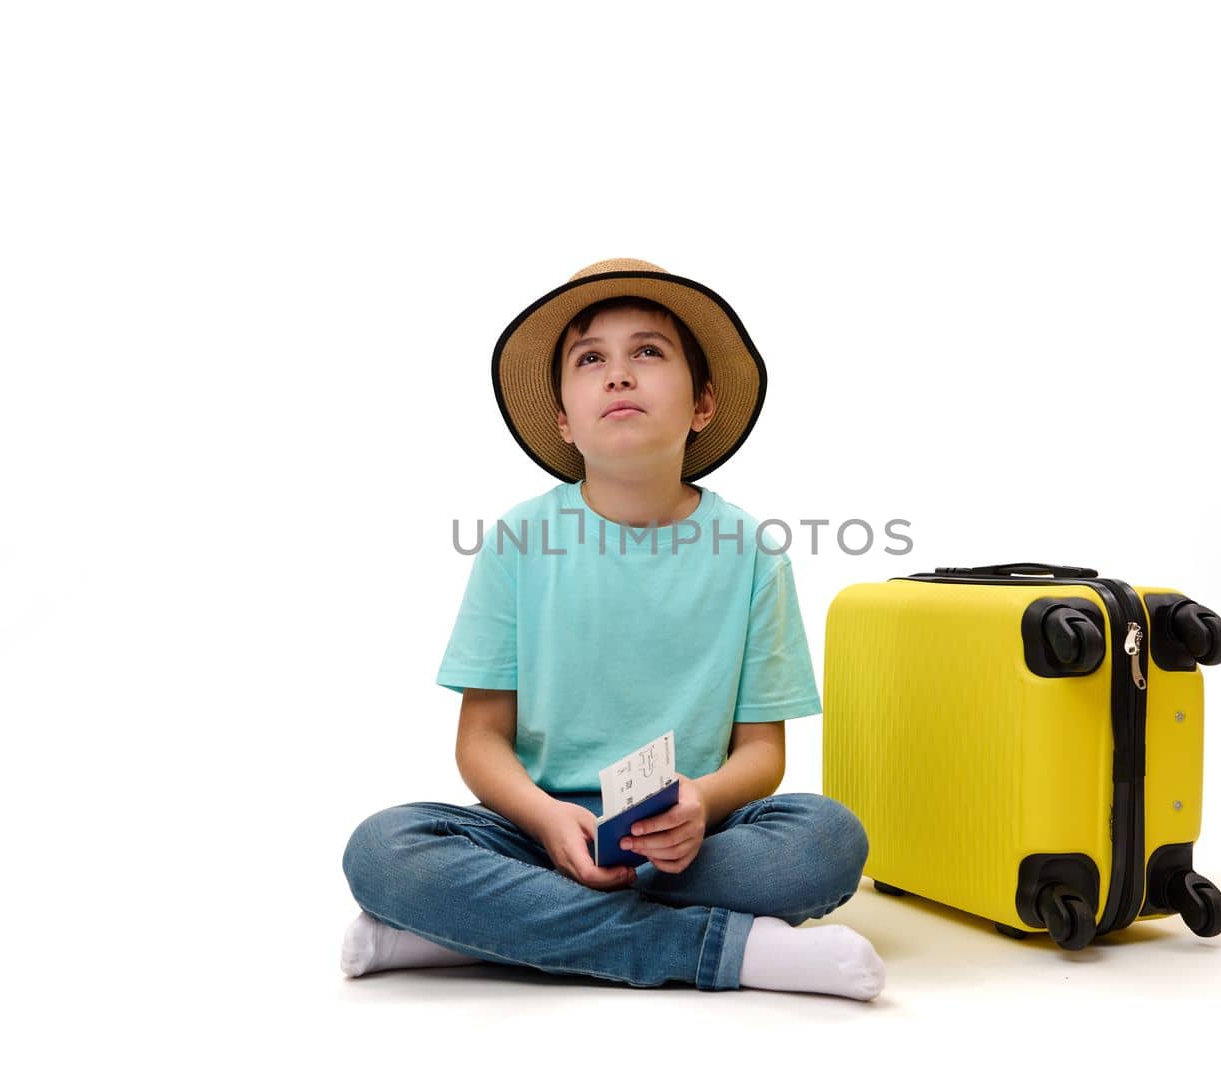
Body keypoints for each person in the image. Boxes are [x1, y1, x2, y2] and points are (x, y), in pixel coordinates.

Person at [339, 258, 883, 999]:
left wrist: (699, 804)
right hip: (537, 831)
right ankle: (721, 950)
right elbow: (480, 740)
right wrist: (549, 818)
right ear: (564, 417)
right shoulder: (518, 542)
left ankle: (471, 931)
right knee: (383, 849)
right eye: (591, 358)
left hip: (688, 839)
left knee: (825, 841)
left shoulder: (753, 553)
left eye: (648, 352)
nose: (619, 375)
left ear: (702, 403)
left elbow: (762, 754)